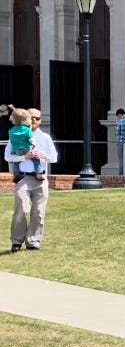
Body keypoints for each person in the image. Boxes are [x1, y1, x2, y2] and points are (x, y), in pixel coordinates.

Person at [6, 108, 58, 252]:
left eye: (37, 118)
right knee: (21, 209)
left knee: (38, 212)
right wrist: (25, 157)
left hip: (40, 178)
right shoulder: (16, 134)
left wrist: (42, 155)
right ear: (25, 118)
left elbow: (54, 158)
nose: (34, 120)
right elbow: (7, 156)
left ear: (40, 121)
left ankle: (33, 241)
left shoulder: (45, 137)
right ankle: (16, 240)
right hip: (23, 177)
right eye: (32, 117)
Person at [8, 108, 45, 179]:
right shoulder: (27, 130)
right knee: (36, 159)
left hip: (15, 150)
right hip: (26, 148)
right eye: (29, 119)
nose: (31, 120)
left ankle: (16, 173)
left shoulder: (11, 130)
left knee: (16, 161)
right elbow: (31, 140)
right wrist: (32, 142)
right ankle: (38, 173)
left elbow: (12, 140)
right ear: (23, 121)